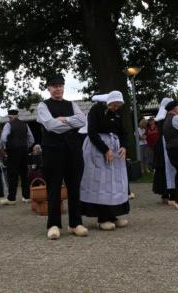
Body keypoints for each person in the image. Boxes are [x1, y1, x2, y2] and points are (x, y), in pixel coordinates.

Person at [36, 74, 88, 240]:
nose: (58, 88)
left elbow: (83, 121)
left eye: (60, 85)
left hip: (73, 150)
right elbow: (50, 126)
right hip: (52, 151)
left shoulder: (71, 104)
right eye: (54, 86)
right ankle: (53, 225)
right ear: (49, 88)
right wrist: (70, 124)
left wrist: (63, 119)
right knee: (53, 188)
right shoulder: (43, 106)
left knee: (74, 186)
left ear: (64, 87)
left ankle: (75, 223)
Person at [80, 91, 129, 231]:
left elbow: (123, 132)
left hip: (114, 148)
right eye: (114, 105)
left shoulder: (117, 113)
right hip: (97, 147)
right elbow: (92, 132)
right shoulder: (96, 110)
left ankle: (113, 215)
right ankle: (102, 218)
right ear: (108, 102)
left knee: (114, 183)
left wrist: (124, 146)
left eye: (118, 105)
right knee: (101, 182)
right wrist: (105, 149)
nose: (116, 108)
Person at [0, 109, 34, 205]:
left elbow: (3, 138)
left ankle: (11, 198)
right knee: (24, 174)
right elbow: (31, 139)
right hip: (24, 151)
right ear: (18, 116)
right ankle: (27, 197)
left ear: (9, 116)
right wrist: (25, 146)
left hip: (13, 151)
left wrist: (3, 148)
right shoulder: (25, 124)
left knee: (12, 175)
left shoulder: (8, 124)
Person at [152, 98, 177, 205]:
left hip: (162, 146)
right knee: (166, 169)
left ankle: (166, 194)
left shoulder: (161, 116)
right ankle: (168, 194)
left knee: (164, 169)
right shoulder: (166, 117)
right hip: (165, 145)